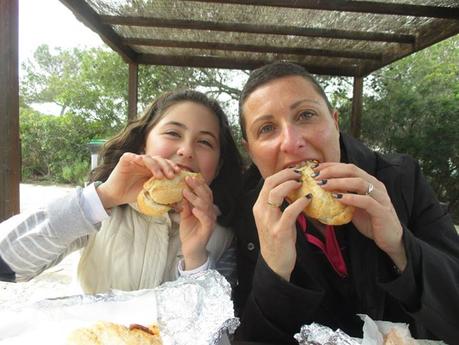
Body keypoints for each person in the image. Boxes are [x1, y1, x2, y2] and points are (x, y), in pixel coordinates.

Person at [233, 62, 459, 344]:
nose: (292, 142)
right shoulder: (248, 217)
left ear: (335, 122)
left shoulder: (401, 180)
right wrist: (274, 273)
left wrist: (400, 246)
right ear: (250, 151)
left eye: (306, 115)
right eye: (266, 128)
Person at [0, 89, 243, 294]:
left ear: (219, 165)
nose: (186, 150)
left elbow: (217, 334)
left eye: (205, 142)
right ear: (143, 144)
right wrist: (102, 198)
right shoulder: (100, 211)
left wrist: (196, 256)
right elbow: (7, 264)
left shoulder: (224, 237)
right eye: (172, 133)